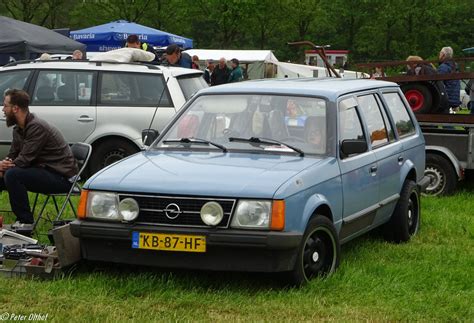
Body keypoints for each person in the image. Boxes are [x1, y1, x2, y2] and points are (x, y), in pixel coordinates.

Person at [0, 89, 78, 227]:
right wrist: (3, 165)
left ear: (15, 108)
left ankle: (25, 223)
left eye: (5, 106)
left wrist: (4, 168)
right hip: (44, 171)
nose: (3, 110)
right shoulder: (19, 128)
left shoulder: (36, 127)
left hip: (61, 177)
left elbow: (24, 160)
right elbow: (13, 155)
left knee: (13, 175)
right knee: (5, 174)